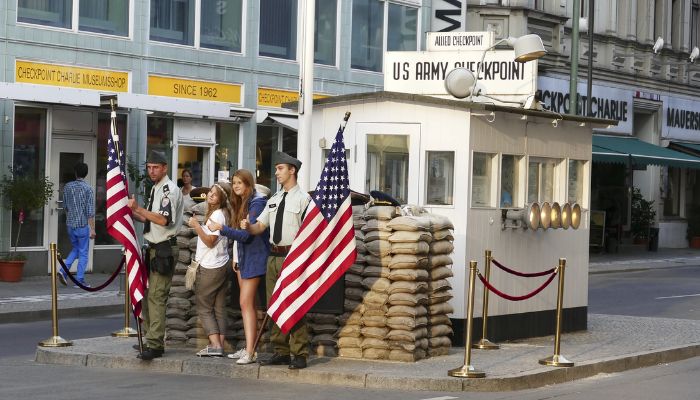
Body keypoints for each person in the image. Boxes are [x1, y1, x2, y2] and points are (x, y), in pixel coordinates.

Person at [241, 151, 311, 369]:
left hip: (293, 256)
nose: (276, 173)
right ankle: (280, 350)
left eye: (280, 168)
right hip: (273, 256)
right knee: (274, 304)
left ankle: (299, 353)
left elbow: (310, 232)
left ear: (292, 170)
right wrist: (248, 226)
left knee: (294, 303)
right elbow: (260, 226)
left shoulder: (304, 199)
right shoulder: (274, 200)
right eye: (276, 169)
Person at [207, 169, 270, 365]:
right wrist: (236, 257)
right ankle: (249, 347)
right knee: (247, 305)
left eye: (240, 183)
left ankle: (250, 352)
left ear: (249, 183)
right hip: (243, 257)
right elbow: (240, 236)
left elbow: (245, 234)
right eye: (234, 182)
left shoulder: (257, 202)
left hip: (254, 258)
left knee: (245, 303)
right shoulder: (242, 202)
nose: (235, 186)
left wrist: (221, 229)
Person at [128, 150, 184, 361]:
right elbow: (151, 220)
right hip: (154, 247)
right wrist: (132, 213)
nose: (151, 171)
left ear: (165, 168)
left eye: (155, 167)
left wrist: (139, 209)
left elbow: (163, 220)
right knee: (148, 295)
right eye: (149, 167)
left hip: (164, 249)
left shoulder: (168, 190)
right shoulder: (157, 188)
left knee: (156, 297)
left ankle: (155, 344)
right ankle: (151, 338)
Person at [188, 182, 233, 357]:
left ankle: (214, 345)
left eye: (215, 194)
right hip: (221, 263)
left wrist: (196, 226)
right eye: (210, 193)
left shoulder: (218, 215)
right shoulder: (223, 213)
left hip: (210, 266)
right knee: (219, 307)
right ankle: (219, 345)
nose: (210, 196)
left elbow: (210, 241)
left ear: (222, 198)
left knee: (204, 306)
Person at [58, 162, 96, 288]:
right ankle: (79, 280)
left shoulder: (67, 187)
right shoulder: (89, 189)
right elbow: (90, 212)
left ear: (75, 173)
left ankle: (63, 271)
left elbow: (65, 206)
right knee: (83, 252)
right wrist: (92, 229)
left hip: (70, 224)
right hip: (82, 225)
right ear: (86, 173)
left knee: (76, 249)